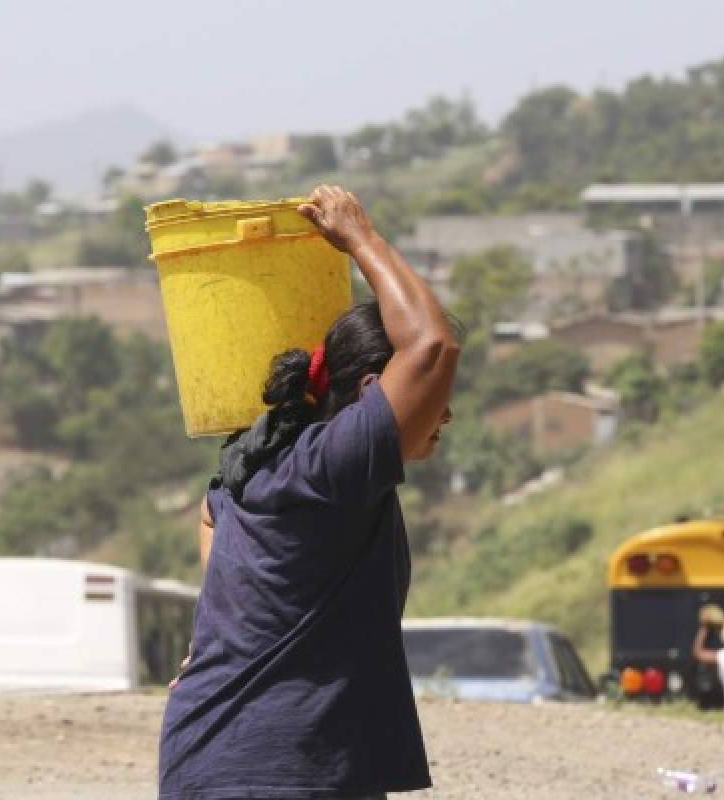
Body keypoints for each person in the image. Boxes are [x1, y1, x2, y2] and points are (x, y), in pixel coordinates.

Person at [158, 185, 458, 800]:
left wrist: (215, 636)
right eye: (436, 402)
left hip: (219, 760)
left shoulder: (267, 464)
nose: (445, 415)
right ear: (374, 390)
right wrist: (359, 238)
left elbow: (212, 513)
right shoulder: (332, 467)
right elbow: (431, 345)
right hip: (279, 772)